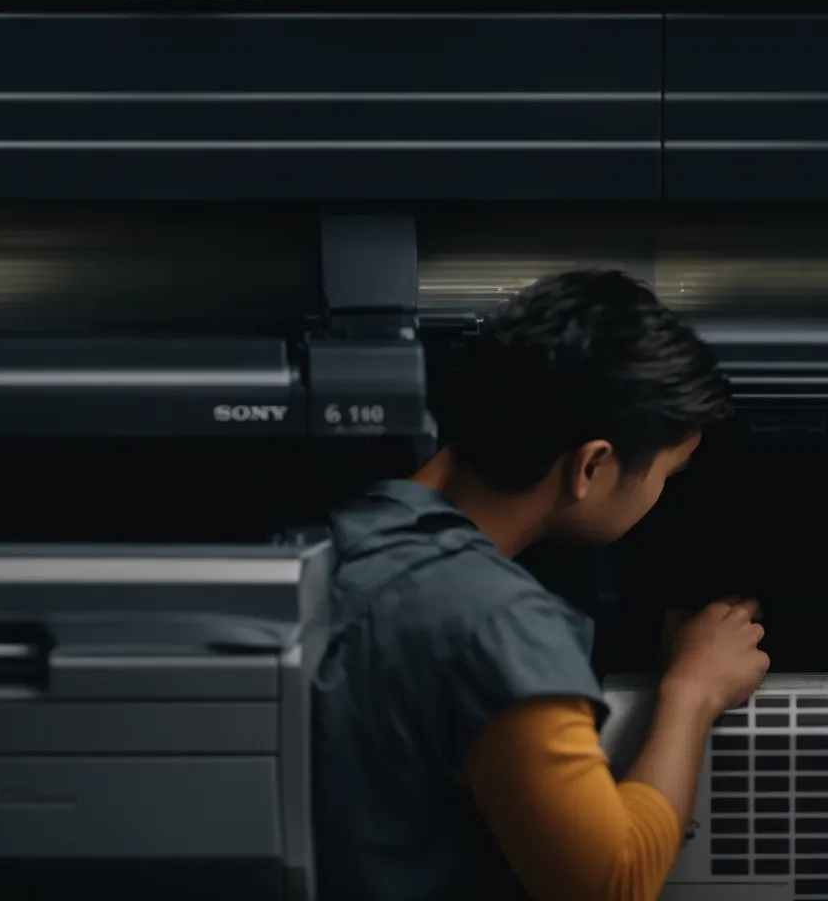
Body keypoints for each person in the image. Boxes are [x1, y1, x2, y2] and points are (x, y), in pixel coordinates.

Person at [312, 268, 770, 901]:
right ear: (591, 466)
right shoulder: (496, 622)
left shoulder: (343, 534)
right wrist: (693, 690)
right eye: (667, 473)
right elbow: (609, 883)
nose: (661, 494)